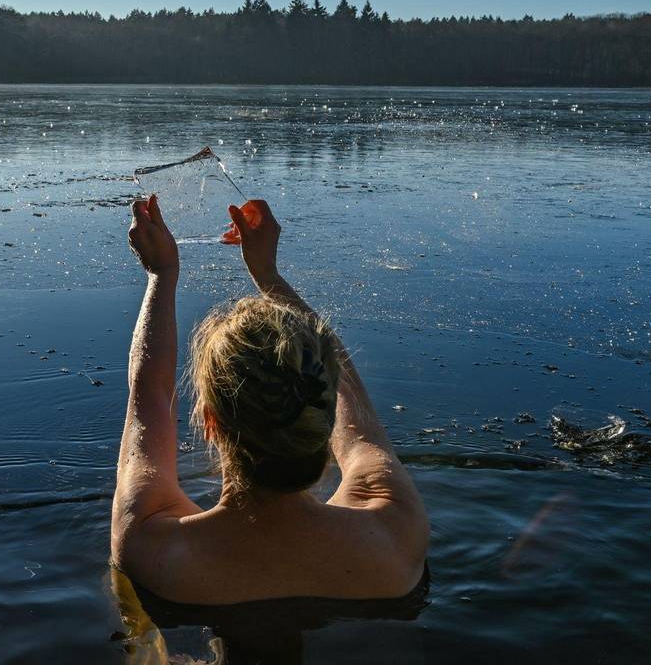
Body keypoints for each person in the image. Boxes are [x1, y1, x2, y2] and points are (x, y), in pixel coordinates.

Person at [112, 194, 429, 604]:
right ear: (325, 414)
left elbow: (150, 394)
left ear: (210, 421)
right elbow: (352, 404)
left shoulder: (154, 548)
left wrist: (161, 274)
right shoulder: (396, 533)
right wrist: (267, 274)